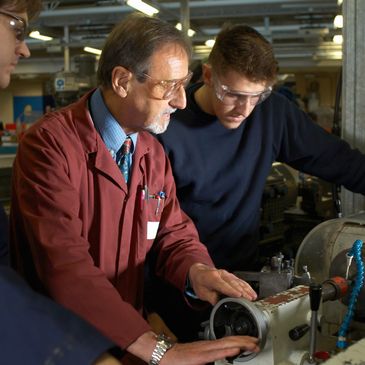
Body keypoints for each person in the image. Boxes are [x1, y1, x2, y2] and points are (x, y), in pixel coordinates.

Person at [10, 13, 259, 365]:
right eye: (168, 86)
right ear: (123, 81)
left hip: (126, 338)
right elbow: (65, 266)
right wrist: (160, 351)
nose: (181, 101)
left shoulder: (150, 152)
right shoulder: (50, 146)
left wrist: (197, 271)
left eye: (183, 84)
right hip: (63, 347)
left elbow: (173, 233)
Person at [150, 23, 365, 341]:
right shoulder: (168, 127)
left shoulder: (272, 113)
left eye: (257, 96)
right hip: (176, 288)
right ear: (208, 76)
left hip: (243, 286)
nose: (244, 109)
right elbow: (142, 229)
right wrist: (147, 311)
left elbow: (339, 162)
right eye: (232, 94)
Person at [0, 0, 125, 364]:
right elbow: (61, 260)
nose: (25, 47)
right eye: (17, 29)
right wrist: (80, 353)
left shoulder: (150, 148)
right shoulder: (49, 142)